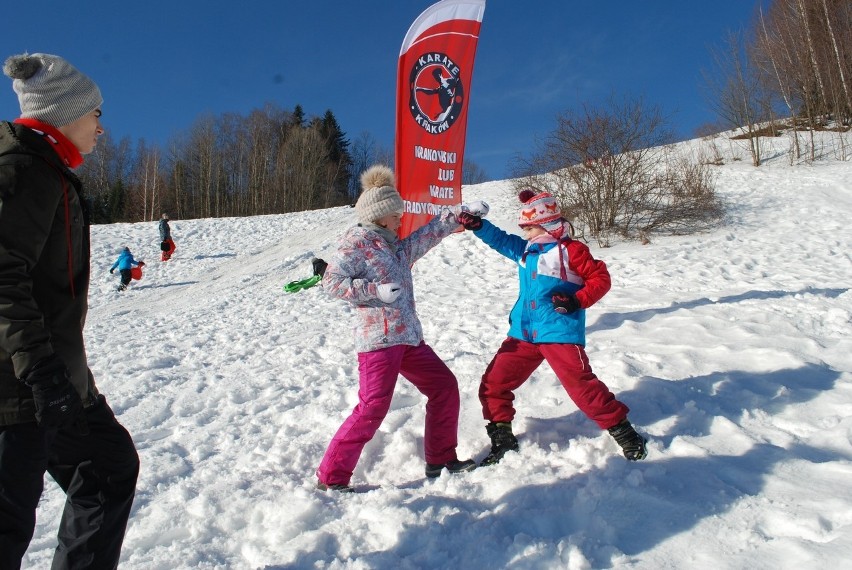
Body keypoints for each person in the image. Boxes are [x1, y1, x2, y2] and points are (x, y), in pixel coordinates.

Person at [0, 52, 139, 569]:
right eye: (96, 114)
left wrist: (67, 381)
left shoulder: (47, 170)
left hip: (58, 382)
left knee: (108, 468)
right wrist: (40, 372)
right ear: (66, 113)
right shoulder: (20, 170)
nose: (101, 127)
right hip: (17, 387)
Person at [458, 189, 647, 466]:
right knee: (493, 384)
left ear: (546, 224)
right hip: (523, 335)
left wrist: (576, 300)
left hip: (559, 333)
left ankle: (627, 435)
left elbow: (600, 278)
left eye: (530, 228)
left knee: (582, 387)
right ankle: (503, 441)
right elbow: (500, 240)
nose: (526, 234)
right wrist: (479, 226)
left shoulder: (571, 250)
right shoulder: (526, 250)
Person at [316, 164, 475, 492]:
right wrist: (375, 292)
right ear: (380, 216)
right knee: (372, 407)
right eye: (396, 214)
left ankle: (441, 459)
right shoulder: (358, 242)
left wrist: (458, 215)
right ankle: (331, 478)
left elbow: (424, 238)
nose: (401, 218)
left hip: (407, 338)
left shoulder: (392, 246)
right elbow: (331, 282)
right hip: (378, 342)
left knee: (444, 386)